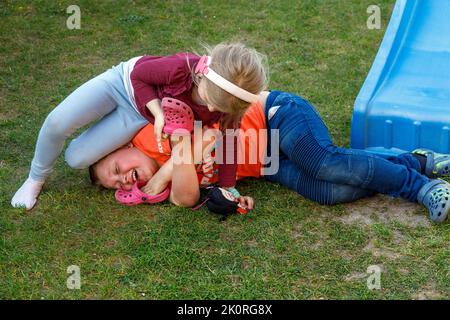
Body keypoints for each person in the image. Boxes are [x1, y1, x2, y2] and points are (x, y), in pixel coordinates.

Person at [91, 92, 450, 223]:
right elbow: (186, 200)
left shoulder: (149, 131)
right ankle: (415, 161)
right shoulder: (160, 183)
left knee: (324, 161)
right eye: (116, 184)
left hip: (273, 114)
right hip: (266, 165)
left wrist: (168, 168)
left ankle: (420, 186)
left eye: (115, 169)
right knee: (330, 192)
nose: (123, 178)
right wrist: (161, 183)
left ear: (120, 149)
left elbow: (213, 134)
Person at [11, 42, 269, 210]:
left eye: (219, 108)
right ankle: (36, 178)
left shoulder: (227, 106)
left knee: (75, 158)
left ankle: (113, 142)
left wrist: (228, 187)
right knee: (58, 122)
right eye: (211, 101)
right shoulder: (182, 68)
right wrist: (157, 113)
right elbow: (139, 76)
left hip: (137, 119)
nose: (212, 110)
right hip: (125, 88)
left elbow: (229, 142)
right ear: (202, 78)